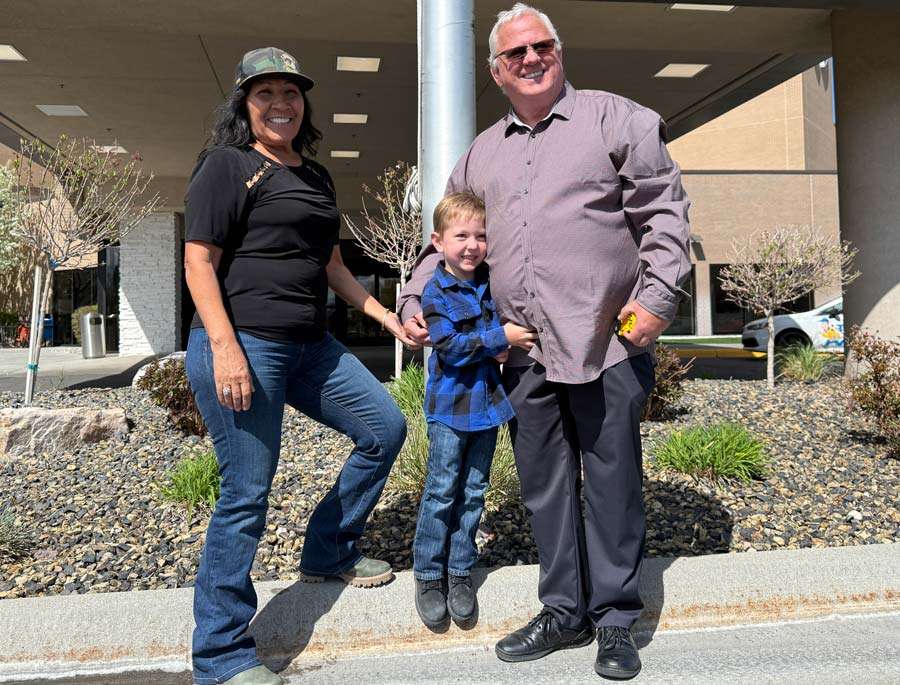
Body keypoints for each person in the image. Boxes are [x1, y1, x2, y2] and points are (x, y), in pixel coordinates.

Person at [399, 4, 691, 680]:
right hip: (521, 352)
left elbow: (665, 215)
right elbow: (442, 239)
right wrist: (414, 297)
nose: (530, 60)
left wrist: (654, 301)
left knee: (612, 481)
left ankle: (616, 618)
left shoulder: (619, 120)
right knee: (544, 486)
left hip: (604, 341)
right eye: (514, 55)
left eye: (541, 47)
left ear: (559, 51)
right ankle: (564, 609)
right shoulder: (481, 153)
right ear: (497, 73)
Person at [184, 47, 412, 685]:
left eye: (291, 93)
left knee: (383, 429)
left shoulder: (314, 176)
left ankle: (328, 552)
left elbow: (332, 266)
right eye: (265, 94)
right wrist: (226, 349)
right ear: (244, 104)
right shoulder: (226, 166)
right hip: (244, 343)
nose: (280, 104)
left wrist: (386, 317)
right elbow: (199, 262)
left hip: (311, 344)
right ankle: (222, 657)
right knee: (246, 495)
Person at [411, 192, 536, 630]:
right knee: (443, 489)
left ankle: (460, 570)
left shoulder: (490, 283)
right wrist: (500, 339)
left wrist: (497, 341)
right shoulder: (435, 292)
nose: (472, 245)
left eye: (481, 236)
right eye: (461, 235)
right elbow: (450, 348)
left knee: (475, 491)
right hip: (450, 407)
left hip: (488, 407)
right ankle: (428, 574)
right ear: (438, 242)